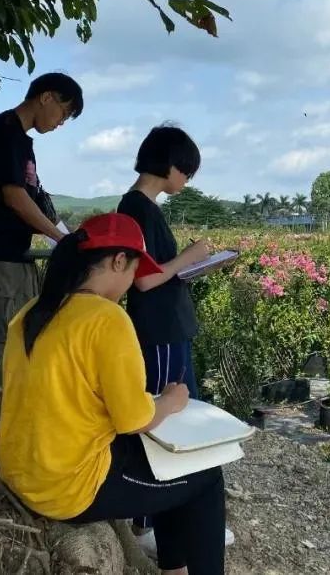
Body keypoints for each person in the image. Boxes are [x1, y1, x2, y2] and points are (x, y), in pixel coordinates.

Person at [0, 213, 225, 575]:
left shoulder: (30, 313)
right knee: (207, 476)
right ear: (119, 260)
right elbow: (135, 420)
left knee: (168, 465)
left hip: (19, 470)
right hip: (66, 488)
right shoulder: (106, 319)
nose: (133, 281)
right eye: (134, 270)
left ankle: (174, 569)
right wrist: (171, 401)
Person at [116, 125, 231, 553]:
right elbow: (144, 281)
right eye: (187, 172)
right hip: (159, 330)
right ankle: (157, 517)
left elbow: (158, 272)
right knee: (166, 416)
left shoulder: (146, 207)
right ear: (170, 166)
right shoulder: (136, 211)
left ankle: (173, 512)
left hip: (169, 328)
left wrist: (189, 266)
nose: (187, 181)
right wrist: (191, 257)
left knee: (178, 412)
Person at [0, 72, 83, 425]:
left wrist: (64, 233)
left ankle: (11, 431)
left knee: (17, 346)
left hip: (17, 259)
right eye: (64, 112)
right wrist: (61, 240)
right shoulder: (1, 132)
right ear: (46, 97)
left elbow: (34, 199)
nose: (61, 123)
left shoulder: (23, 143)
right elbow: (14, 197)